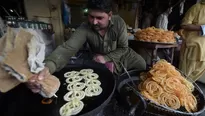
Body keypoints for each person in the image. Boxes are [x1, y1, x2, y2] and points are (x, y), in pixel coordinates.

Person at [27, 0, 146, 93]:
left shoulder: (119, 23)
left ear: (110, 15)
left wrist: (106, 58)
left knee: (142, 65)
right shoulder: (85, 27)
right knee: (105, 80)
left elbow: (123, 48)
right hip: (98, 57)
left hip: (122, 54)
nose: (94, 22)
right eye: (91, 16)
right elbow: (67, 48)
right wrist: (48, 67)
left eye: (99, 18)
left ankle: (129, 89)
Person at [179, 0, 205, 82]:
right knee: (185, 75)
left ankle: (185, 91)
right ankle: (178, 91)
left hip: (204, 50)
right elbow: (184, 24)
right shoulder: (197, 7)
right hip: (193, 46)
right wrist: (202, 28)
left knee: (194, 77)